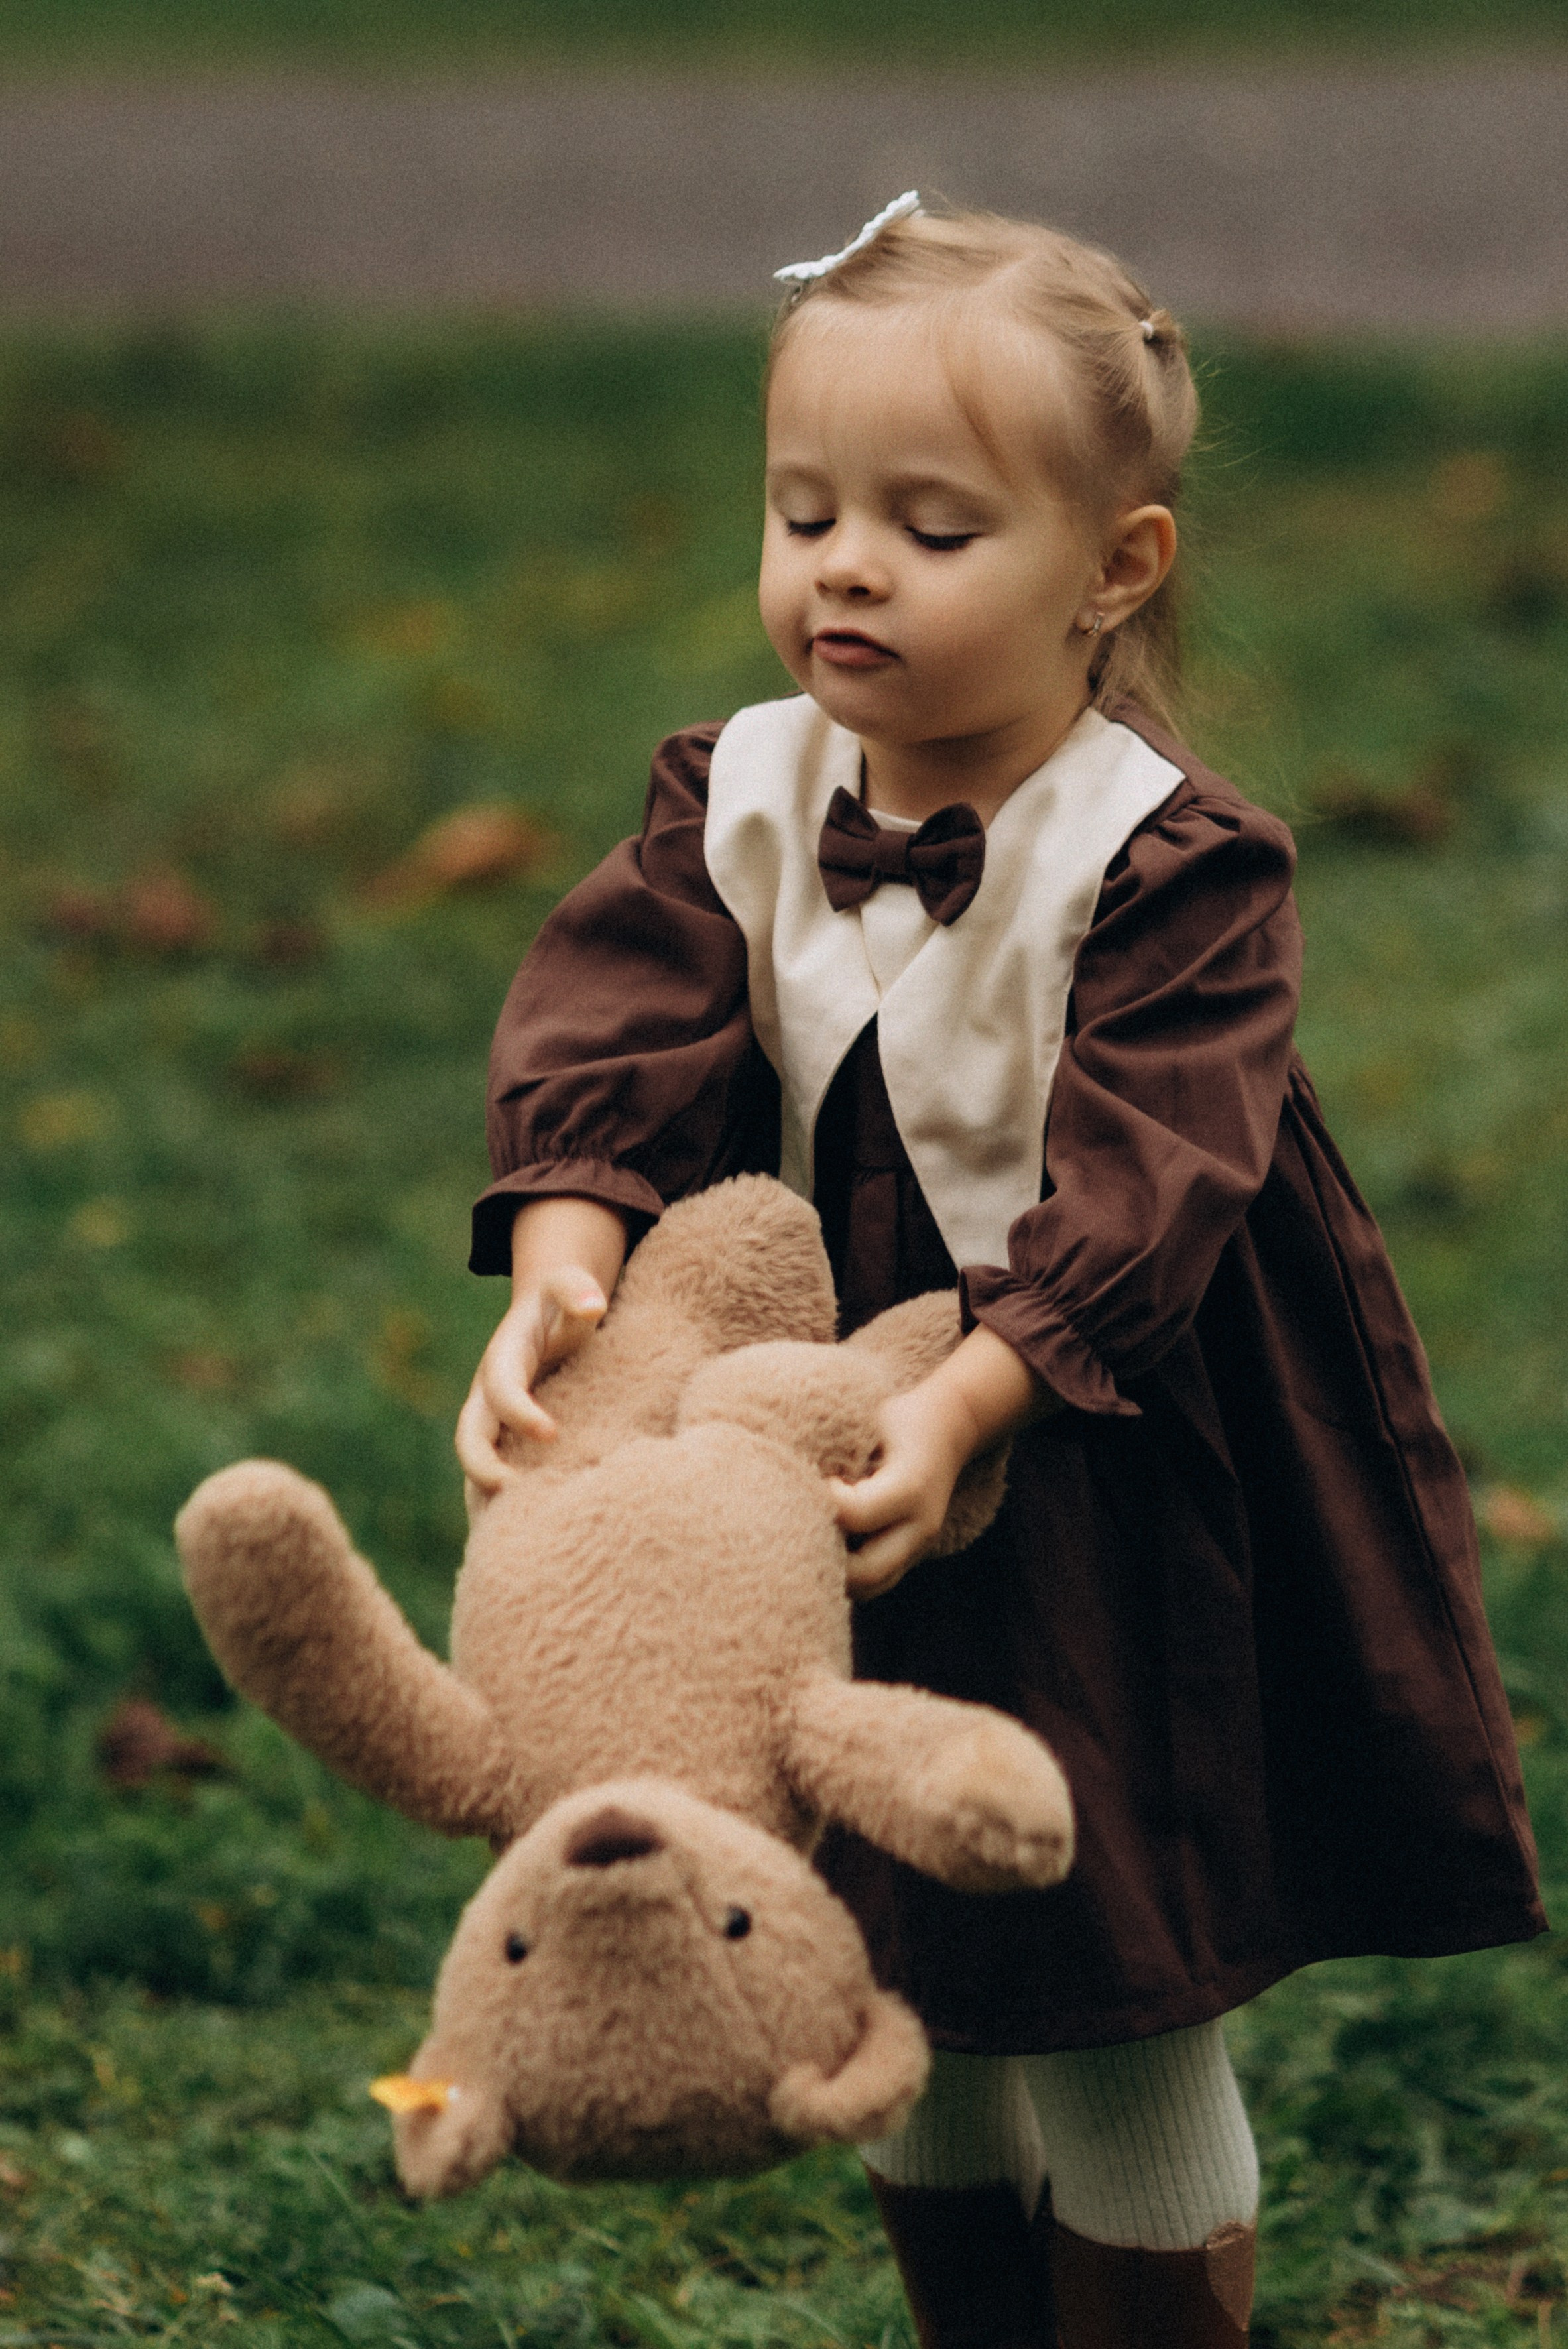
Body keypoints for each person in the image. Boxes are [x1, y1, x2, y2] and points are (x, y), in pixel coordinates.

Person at [454, 200, 1544, 2349]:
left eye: (931, 529)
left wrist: (976, 1394)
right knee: (886, 1913)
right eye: (806, 515)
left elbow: (1157, 1177)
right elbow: (621, 1030)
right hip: (818, 1444)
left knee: (1099, 1917)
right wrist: (569, 1269)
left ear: (1112, 568)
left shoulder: (1168, 863)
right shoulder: (741, 797)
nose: (845, 568)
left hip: (1118, 1441)